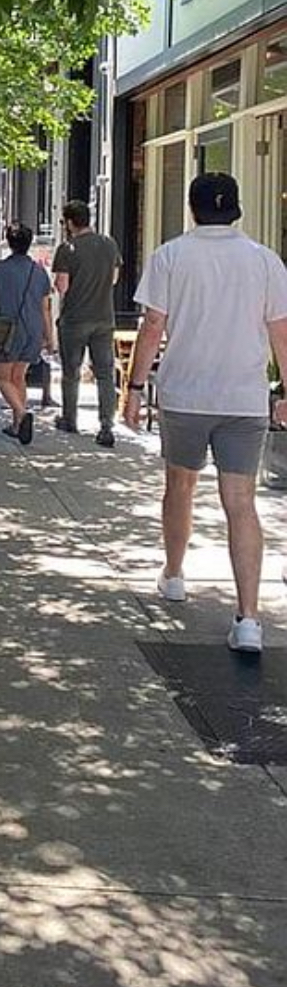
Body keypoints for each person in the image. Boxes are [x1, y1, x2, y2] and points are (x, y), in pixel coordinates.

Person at [124, 173, 287, 655]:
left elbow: (153, 325)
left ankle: (174, 574)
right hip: (243, 397)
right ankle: (249, 617)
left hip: (185, 394)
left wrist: (135, 388)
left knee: (180, 485)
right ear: (236, 209)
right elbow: (280, 331)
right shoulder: (265, 261)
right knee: (241, 501)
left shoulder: (170, 256)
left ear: (192, 209)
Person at [52, 200, 122, 447]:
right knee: (105, 373)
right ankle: (106, 425)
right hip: (104, 317)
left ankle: (69, 418)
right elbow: (114, 278)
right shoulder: (109, 244)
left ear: (70, 222)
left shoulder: (67, 249)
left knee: (71, 371)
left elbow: (62, 286)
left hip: (75, 318)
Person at [0, 221, 54, 446]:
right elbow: (45, 308)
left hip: (6, 330)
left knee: (1, 377)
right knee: (18, 376)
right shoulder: (39, 271)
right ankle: (16, 425)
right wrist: (49, 336)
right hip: (33, 330)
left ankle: (21, 414)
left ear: (9, 242)